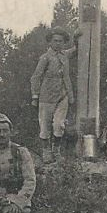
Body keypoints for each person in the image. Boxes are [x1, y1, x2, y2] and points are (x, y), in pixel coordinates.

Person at [30, 26, 81, 162]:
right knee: (45, 126)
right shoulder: (45, 58)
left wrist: (76, 38)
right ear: (50, 42)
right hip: (46, 97)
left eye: (61, 41)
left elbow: (77, 50)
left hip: (62, 96)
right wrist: (35, 96)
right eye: (55, 41)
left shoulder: (65, 55)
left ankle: (56, 151)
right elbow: (36, 77)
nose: (58, 43)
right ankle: (46, 152)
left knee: (59, 125)